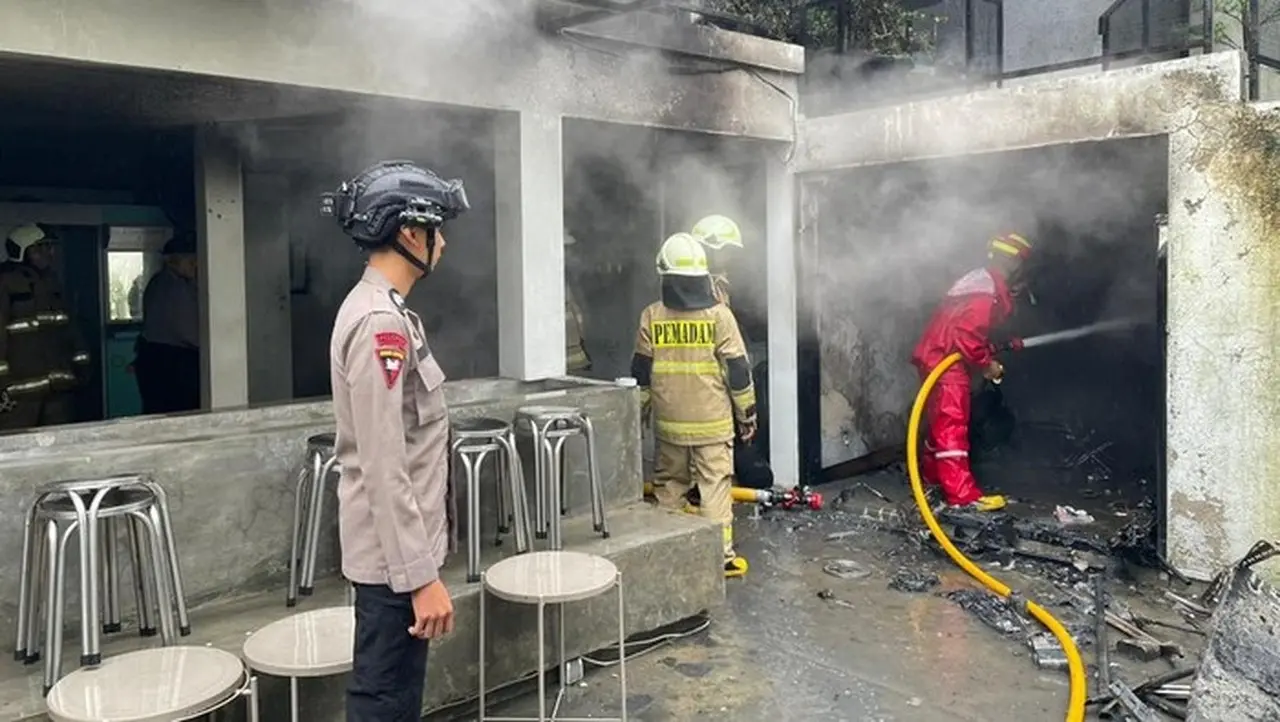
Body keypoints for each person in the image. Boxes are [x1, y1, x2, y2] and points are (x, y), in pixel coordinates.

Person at [324, 159, 469, 721]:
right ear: (410, 233)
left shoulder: (391, 313)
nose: (443, 243)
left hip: (398, 563)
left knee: (397, 701)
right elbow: (384, 465)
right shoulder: (379, 324)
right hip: (393, 570)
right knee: (383, 702)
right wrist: (420, 578)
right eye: (437, 230)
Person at [632, 232, 756, 578]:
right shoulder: (720, 317)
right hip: (713, 424)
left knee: (669, 487)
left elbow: (641, 373)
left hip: (669, 423)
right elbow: (738, 372)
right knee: (714, 487)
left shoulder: (651, 316)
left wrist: (639, 414)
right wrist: (747, 416)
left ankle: (669, 554)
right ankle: (719, 558)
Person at [911, 232, 1033, 513]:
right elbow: (967, 335)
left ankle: (933, 480)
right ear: (1013, 263)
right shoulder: (986, 288)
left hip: (937, 357)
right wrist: (987, 364)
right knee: (952, 426)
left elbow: (964, 331)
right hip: (946, 363)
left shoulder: (979, 282)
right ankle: (962, 495)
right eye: (1021, 265)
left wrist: (991, 350)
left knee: (940, 425)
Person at [0, 224, 90, 430]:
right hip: (18, 395)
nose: (50, 253)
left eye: (51, 247)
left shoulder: (52, 282)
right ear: (23, 250)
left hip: (58, 391)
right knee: (16, 445)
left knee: (60, 443)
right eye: (42, 248)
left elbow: (70, 328)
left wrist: (82, 364)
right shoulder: (5, 282)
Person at [135, 233, 200, 414]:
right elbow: (189, 332)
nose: (195, 265)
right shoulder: (175, 288)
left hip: (156, 357)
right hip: (173, 362)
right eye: (190, 261)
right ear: (172, 262)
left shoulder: (157, 282)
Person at [690, 214, 743, 308]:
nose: (730, 255)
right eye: (726, 249)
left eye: (731, 250)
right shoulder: (692, 286)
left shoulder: (736, 285)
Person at [563, 233, 592, 374]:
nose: (570, 254)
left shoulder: (570, 277)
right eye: (567, 249)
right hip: (566, 353)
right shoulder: (553, 276)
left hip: (574, 351)